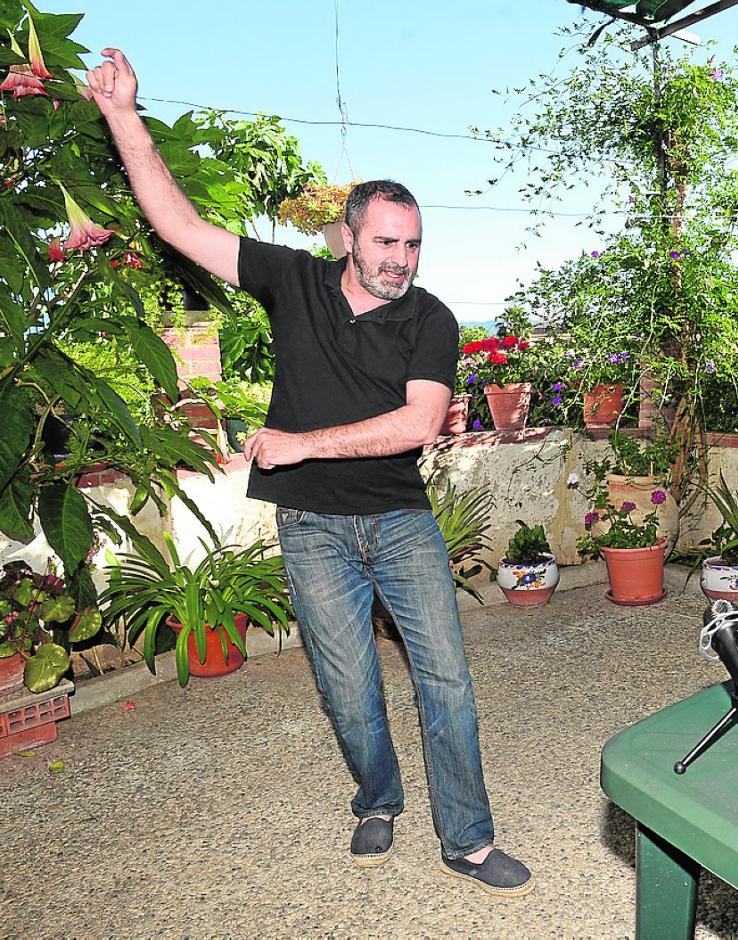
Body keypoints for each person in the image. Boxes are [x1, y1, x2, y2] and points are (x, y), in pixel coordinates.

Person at [85, 48, 531, 896]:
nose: (401, 258)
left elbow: (420, 422)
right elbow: (178, 225)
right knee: (347, 686)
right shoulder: (291, 281)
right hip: (314, 531)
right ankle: (378, 798)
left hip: (400, 521)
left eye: (413, 244)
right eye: (387, 241)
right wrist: (121, 119)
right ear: (350, 236)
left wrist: (300, 442)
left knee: (446, 679)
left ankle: (467, 839)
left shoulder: (431, 319)